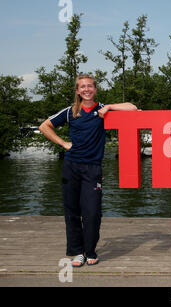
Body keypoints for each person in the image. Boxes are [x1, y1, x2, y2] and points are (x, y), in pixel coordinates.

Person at [39, 74, 137, 267]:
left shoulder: (102, 110)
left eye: (90, 86)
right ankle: (77, 252)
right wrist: (63, 143)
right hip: (71, 167)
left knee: (92, 212)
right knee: (72, 211)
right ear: (77, 91)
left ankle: (90, 250)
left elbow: (132, 108)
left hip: (92, 168)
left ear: (95, 89)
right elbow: (44, 126)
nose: (86, 89)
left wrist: (109, 107)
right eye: (82, 87)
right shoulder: (70, 112)